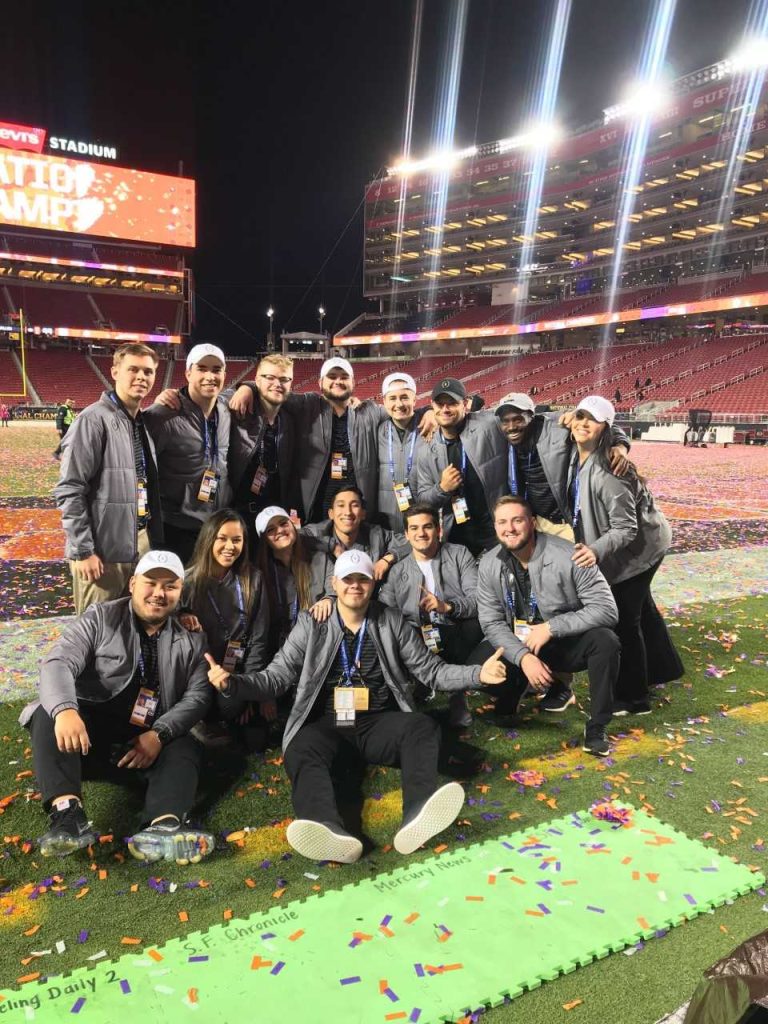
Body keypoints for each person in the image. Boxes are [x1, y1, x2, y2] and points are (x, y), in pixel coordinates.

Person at [204, 550, 507, 863]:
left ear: (372, 584)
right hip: (327, 726)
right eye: (347, 579)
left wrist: (477, 673)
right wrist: (233, 683)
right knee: (299, 747)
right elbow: (276, 678)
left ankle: (417, 814)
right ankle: (326, 828)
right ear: (334, 583)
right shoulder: (312, 623)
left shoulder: (390, 620)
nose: (355, 586)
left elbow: (430, 671)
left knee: (422, 726)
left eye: (362, 579)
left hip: (377, 723)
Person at [19, 551, 214, 864]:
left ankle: (162, 825)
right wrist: (67, 711)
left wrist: (159, 735)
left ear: (180, 592)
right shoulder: (100, 617)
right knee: (47, 712)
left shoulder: (191, 639)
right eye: (151, 582)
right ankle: (68, 816)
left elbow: (199, 696)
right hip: (86, 741)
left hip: (142, 744)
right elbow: (58, 662)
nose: (159, 593)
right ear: (134, 583)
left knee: (185, 745)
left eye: (170, 586)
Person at [476, 495, 620, 757]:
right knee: (478, 663)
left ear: (532, 523)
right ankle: (510, 700)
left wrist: (551, 627)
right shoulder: (488, 563)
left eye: (517, 520)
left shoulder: (570, 555)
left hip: (562, 642)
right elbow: (491, 622)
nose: (509, 528)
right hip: (520, 642)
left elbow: (606, 610)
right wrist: (523, 659)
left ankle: (597, 726)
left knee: (605, 641)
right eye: (502, 522)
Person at [568, 395, 680, 715]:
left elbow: (626, 530)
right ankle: (661, 670)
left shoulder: (610, 470)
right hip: (634, 545)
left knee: (624, 621)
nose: (583, 422)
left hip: (642, 549)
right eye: (579, 416)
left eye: (593, 419)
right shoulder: (580, 453)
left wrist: (594, 550)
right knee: (641, 610)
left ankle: (634, 698)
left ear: (606, 428)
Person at [55, 343, 163, 614]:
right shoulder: (92, 419)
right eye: (133, 369)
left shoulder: (140, 421)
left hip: (138, 541)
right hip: (103, 550)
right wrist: (82, 550)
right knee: (98, 632)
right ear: (115, 371)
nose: (141, 377)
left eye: (148, 371)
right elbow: (70, 488)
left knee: (132, 630)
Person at [230, 357, 391, 523]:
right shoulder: (307, 404)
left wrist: (421, 415)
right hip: (314, 509)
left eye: (344, 377)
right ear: (320, 382)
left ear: (353, 383)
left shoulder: (369, 411)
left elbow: (401, 411)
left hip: (355, 510)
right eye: (332, 376)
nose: (338, 381)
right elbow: (274, 390)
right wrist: (247, 387)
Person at [378, 503, 483, 729]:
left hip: (455, 627)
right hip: (416, 633)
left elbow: (478, 599)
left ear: (439, 530)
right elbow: (385, 610)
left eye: (427, 527)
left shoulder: (459, 554)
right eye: (414, 528)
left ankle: (457, 696)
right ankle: (417, 687)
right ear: (406, 534)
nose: (421, 533)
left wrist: (447, 607)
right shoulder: (398, 571)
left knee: (473, 625)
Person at [180, 510, 271, 748]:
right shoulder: (188, 582)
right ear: (209, 539)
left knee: (237, 713)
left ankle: (222, 717)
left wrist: (252, 688)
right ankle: (197, 719)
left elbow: (259, 639)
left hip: (235, 672)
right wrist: (181, 614)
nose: (230, 546)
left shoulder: (253, 579)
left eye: (237, 540)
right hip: (199, 676)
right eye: (222, 538)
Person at [495, 392, 631, 540]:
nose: (511, 427)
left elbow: (605, 425)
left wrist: (621, 445)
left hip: (566, 523)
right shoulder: (501, 435)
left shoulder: (555, 424)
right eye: (506, 421)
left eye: (518, 419)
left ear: (531, 416)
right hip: (537, 521)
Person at [143, 344, 232, 565]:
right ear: (188, 373)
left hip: (213, 524)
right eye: (202, 368)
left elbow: (256, 387)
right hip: (173, 527)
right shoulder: (162, 415)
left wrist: (248, 387)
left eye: (216, 369)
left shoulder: (227, 409)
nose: (210, 376)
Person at [415, 377, 507, 556]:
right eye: (440, 404)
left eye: (452, 403)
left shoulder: (488, 424)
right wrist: (442, 488)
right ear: (432, 406)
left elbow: (529, 417)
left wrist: (575, 415)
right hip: (457, 534)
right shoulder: (426, 449)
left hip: (495, 528)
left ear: (464, 404)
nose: (445, 409)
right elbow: (423, 500)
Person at [228, 354, 298, 546]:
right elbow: (212, 398)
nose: (278, 384)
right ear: (257, 379)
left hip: (273, 517)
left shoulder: (289, 420)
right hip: (238, 515)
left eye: (284, 379)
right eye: (270, 377)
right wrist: (246, 386)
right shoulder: (238, 409)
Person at [303, 485, 409, 593]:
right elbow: (292, 536)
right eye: (341, 505)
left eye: (354, 505)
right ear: (331, 513)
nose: (348, 512)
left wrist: (388, 559)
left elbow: (416, 542)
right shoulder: (316, 532)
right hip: (326, 604)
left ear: (363, 514)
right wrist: (331, 545)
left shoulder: (377, 535)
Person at [254, 506, 330, 654]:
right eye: (271, 530)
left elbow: (335, 586)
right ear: (265, 541)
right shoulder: (259, 574)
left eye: (283, 523)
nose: (280, 530)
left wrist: (329, 598)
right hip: (275, 651)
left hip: (313, 645)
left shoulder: (321, 559)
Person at [376, 372, 425, 531]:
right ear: (384, 401)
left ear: (414, 399)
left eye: (404, 397)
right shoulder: (377, 432)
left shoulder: (429, 428)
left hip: (421, 520)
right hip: (386, 521)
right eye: (392, 398)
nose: (399, 404)